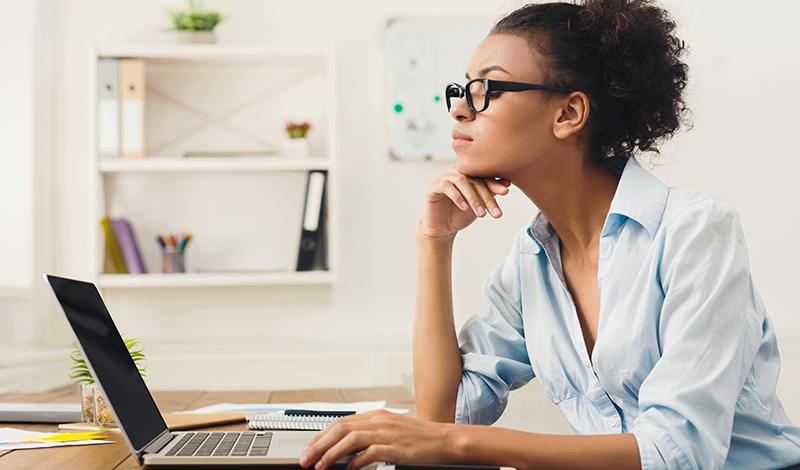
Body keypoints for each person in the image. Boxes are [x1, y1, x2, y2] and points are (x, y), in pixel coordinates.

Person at [299, 0, 800, 469]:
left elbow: (680, 451)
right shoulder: (531, 263)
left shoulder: (694, 231)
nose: (458, 109)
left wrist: (455, 444)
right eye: (462, 89)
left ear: (568, 114)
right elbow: (444, 414)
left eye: (487, 91)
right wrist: (434, 243)